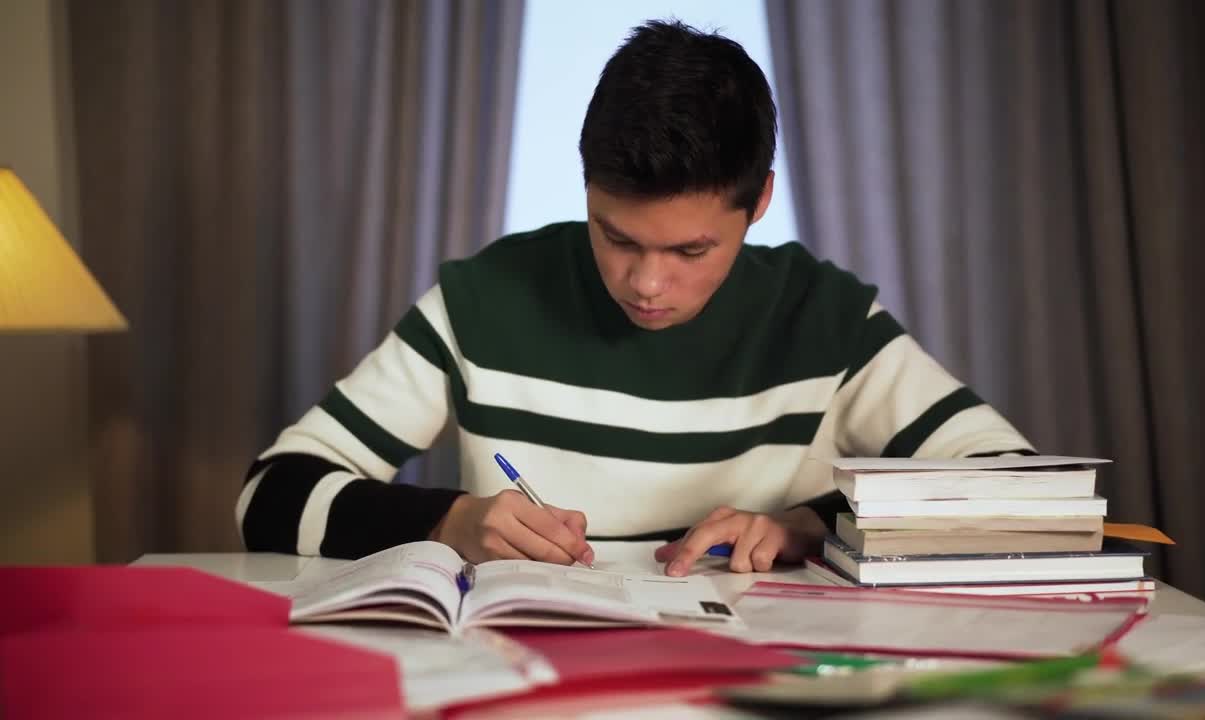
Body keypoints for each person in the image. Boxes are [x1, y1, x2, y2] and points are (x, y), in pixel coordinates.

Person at [236, 20, 1032, 578]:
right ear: (585, 188)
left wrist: (813, 526)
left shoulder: (823, 319)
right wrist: (445, 521)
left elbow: (1019, 491)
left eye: (691, 250)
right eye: (616, 237)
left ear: (758, 204)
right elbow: (269, 495)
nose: (648, 284)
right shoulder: (483, 302)